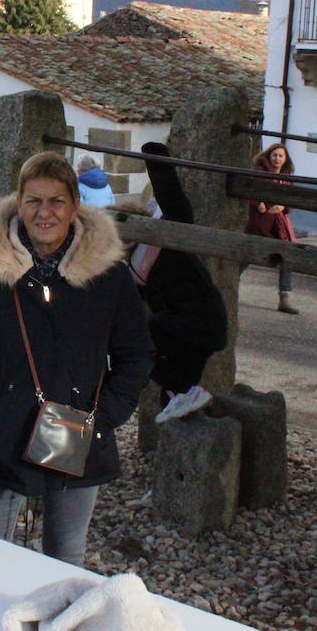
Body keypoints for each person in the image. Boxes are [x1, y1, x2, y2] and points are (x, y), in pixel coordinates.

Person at [0, 151, 153, 566]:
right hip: (1, 432)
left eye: (56, 201)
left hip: (75, 430)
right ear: (19, 203)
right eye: (33, 200)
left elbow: (136, 354)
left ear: (74, 206)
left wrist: (103, 417)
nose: (44, 212)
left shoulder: (108, 277)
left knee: (65, 560)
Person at [118, 142, 228, 422]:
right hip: (205, 324)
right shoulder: (136, 267)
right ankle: (182, 398)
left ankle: (182, 393)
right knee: (175, 382)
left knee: (133, 344)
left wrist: (155, 159)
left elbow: (171, 195)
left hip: (197, 322)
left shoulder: (166, 239)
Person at [244, 143, 299, 315]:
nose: (277, 159)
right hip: (260, 223)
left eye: (280, 156)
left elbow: (290, 202)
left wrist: (283, 206)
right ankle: (226, 286)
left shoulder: (286, 178)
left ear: (285, 159)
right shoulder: (260, 172)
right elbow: (250, 191)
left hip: (279, 226)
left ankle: (284, 298)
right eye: (274, 155)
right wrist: (258, 202)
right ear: (269, 156)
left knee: (286, 258)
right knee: (246, 255)